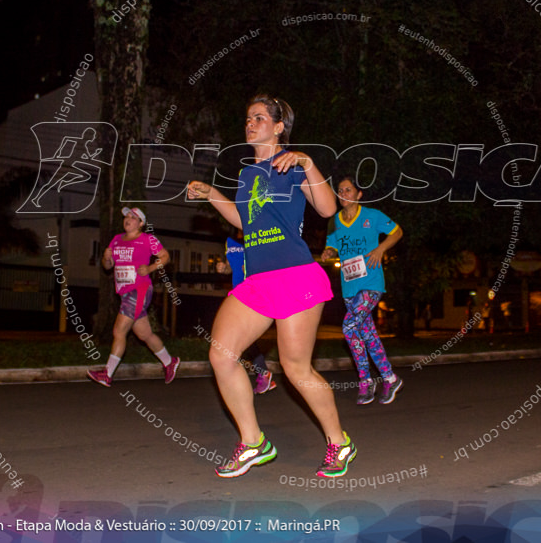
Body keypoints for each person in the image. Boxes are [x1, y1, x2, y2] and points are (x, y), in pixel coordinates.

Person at [186, 95, 354, 479]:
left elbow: (327, 209)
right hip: (258, 279)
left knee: (296, 369)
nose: (250, 123)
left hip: (295, 275)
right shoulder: (248, 174)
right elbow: (247, 224)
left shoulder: (293, 165)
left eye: (259, 117)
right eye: (248, 117)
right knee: (222, 355)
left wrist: (308, 163)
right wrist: (213, 194)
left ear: (279, 127)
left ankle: (339, 442)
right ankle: (253, 442)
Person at [321, 175, 404, 404]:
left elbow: (397, 232)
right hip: (349, 287)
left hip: (371, 285)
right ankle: (390, 378)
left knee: (348, 327)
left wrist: (381, 250)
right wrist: (328, 252)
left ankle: (365, 381)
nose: (343, 194)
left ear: (359, 194)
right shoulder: (335, 220)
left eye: (348, 190)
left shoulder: (372, 216)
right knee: (367, 334)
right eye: (339, 190)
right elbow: (332, 243)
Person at [86, 207, 179, 387]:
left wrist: (150, 268)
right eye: (126, 217)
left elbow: (165, 256)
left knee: (119, 331)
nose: (127, 220)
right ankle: (170, 362)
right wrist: (106, 258)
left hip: (140, 289)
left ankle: (107, 374)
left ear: (141, 223)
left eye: (132, 217)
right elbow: (108, 267)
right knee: (145, 334)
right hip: (124, 292)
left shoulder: (147, 239)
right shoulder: (116, 240)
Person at [216, 234, 276, 394]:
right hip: (237, 294)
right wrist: (224, 268)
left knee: (235, 340)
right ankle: (262, 373)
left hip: (254, 292)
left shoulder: (258, 235)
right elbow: (231, 266)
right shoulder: (229, 240)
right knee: (242, 338)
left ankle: (241, 383)